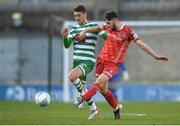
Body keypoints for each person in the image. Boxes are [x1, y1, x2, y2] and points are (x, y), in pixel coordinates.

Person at [75, 10, 168, 120]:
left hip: (113, 64)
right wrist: (84, 30)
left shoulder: (127, 31)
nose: (107, 25)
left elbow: (141, 44)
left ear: (115, 20)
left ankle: (83, 98)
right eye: (106, 23)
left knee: (98, 83)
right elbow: (97, 28)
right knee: (103, 91)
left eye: (109, 23)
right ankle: (116, 108)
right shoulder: (108, 26)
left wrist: (155, 55)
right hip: (101, 60)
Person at [60, 5, 100, 120]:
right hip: (76, 61)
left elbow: (104, 34)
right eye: (75, 16)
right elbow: (67, 45)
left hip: (88, 61)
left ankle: (83, 97)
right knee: (82, 88)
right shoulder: (73, 28)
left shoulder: (92, 26)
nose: (77, 18)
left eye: (79, 15)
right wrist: (64, 37)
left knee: (71, 76)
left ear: (85, 14)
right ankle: (93, 108)